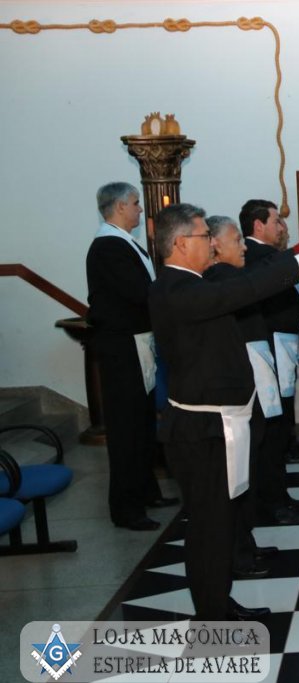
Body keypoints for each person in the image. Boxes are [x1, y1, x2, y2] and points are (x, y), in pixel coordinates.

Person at [149, 202, 299, 621]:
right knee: (210, 528)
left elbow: (253, 276)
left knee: (221, 523)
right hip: (202, 431)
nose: (212, 244)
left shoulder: (192, 283)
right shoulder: (177, 289)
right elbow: (246, 288)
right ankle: (213, 618)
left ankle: (220, 603)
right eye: (205, 236)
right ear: (181, 244)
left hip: (219, 423)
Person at [86, 181, 176, 531]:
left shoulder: (122, 241)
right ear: (120, 206)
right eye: (136, 203)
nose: (140, 209)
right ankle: (126, 508)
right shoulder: (109, 246)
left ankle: (147, 490)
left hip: (136, 344)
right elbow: (139, 293)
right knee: (127, 429)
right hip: (122, 349)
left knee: (142, 422)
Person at [204, 216, 281, 579]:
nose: (244, 245)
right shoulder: (220, 279)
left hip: (248, 380)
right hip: (234, 390)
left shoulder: (229, 277)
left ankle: (245, 543)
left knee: (249, 464)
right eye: (237, 239)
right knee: (238, 472)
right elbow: (259, 284)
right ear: (215, 245)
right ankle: (238, 552)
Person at [239, 199, 299, 525]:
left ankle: (279, 496)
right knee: (272, 429)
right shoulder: (257, 257)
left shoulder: (268, 256)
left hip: (280, 347)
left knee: (279, 427)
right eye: (276, 222)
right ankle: (272, 502)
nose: (282, 227)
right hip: (269, 350)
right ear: (258, 225)